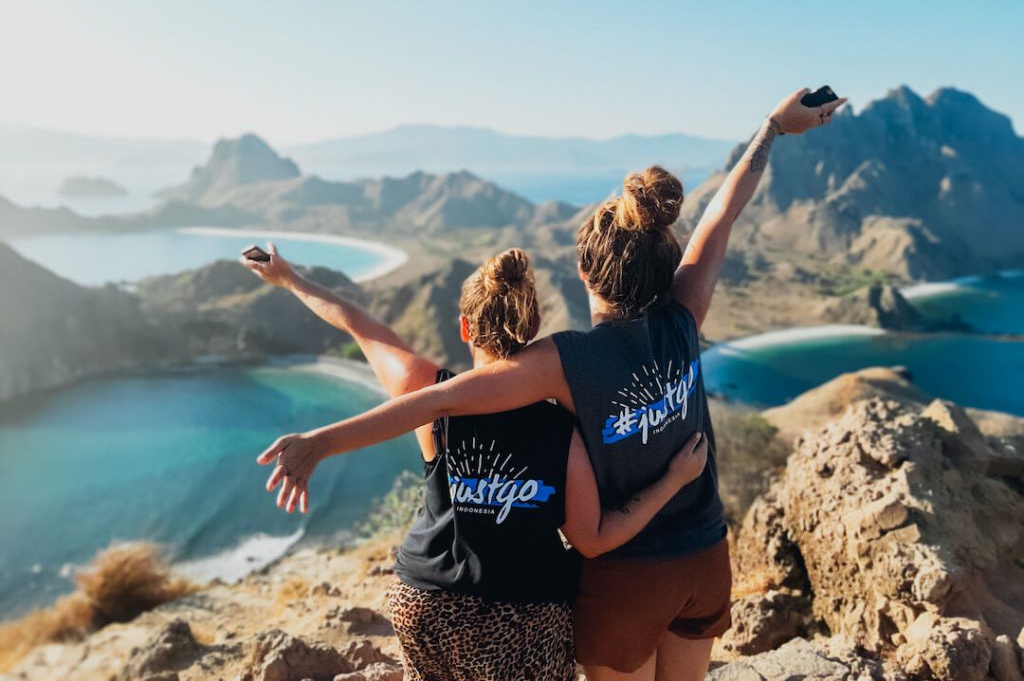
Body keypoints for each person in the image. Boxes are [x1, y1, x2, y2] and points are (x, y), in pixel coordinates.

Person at [257, 87, 847, 680]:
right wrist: (771, 126)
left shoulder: (566, 361)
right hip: (706, 559)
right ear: (662, 268)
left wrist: (321, 443)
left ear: (585, 273)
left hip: (628, 574)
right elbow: (720, 217)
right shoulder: (683, 318)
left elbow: (437, 400)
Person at [244, 245, 709, 681]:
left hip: (424, 602)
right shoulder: (562, 427)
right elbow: (595, 538)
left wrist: (289, 279)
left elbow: (355, 322)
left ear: (465, 328)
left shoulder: (424, 396)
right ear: (532, 330)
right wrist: (672, 481)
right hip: (525, 620)